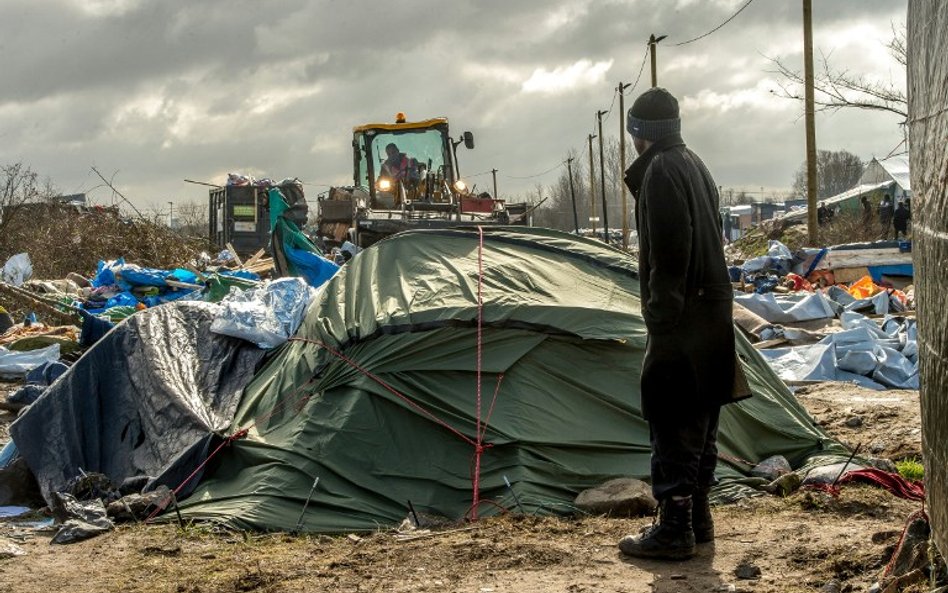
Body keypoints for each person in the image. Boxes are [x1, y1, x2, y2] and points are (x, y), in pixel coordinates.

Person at [618, 87, 750, 561]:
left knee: (672, 419)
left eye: (633, 130)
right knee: (701, 420)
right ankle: (698, 518)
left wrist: (659, 315)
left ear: (642, 133)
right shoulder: (695, 164)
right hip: (711, 315)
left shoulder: (660, 171)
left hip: (683, 319)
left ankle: (674, 529)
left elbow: (671, 251)